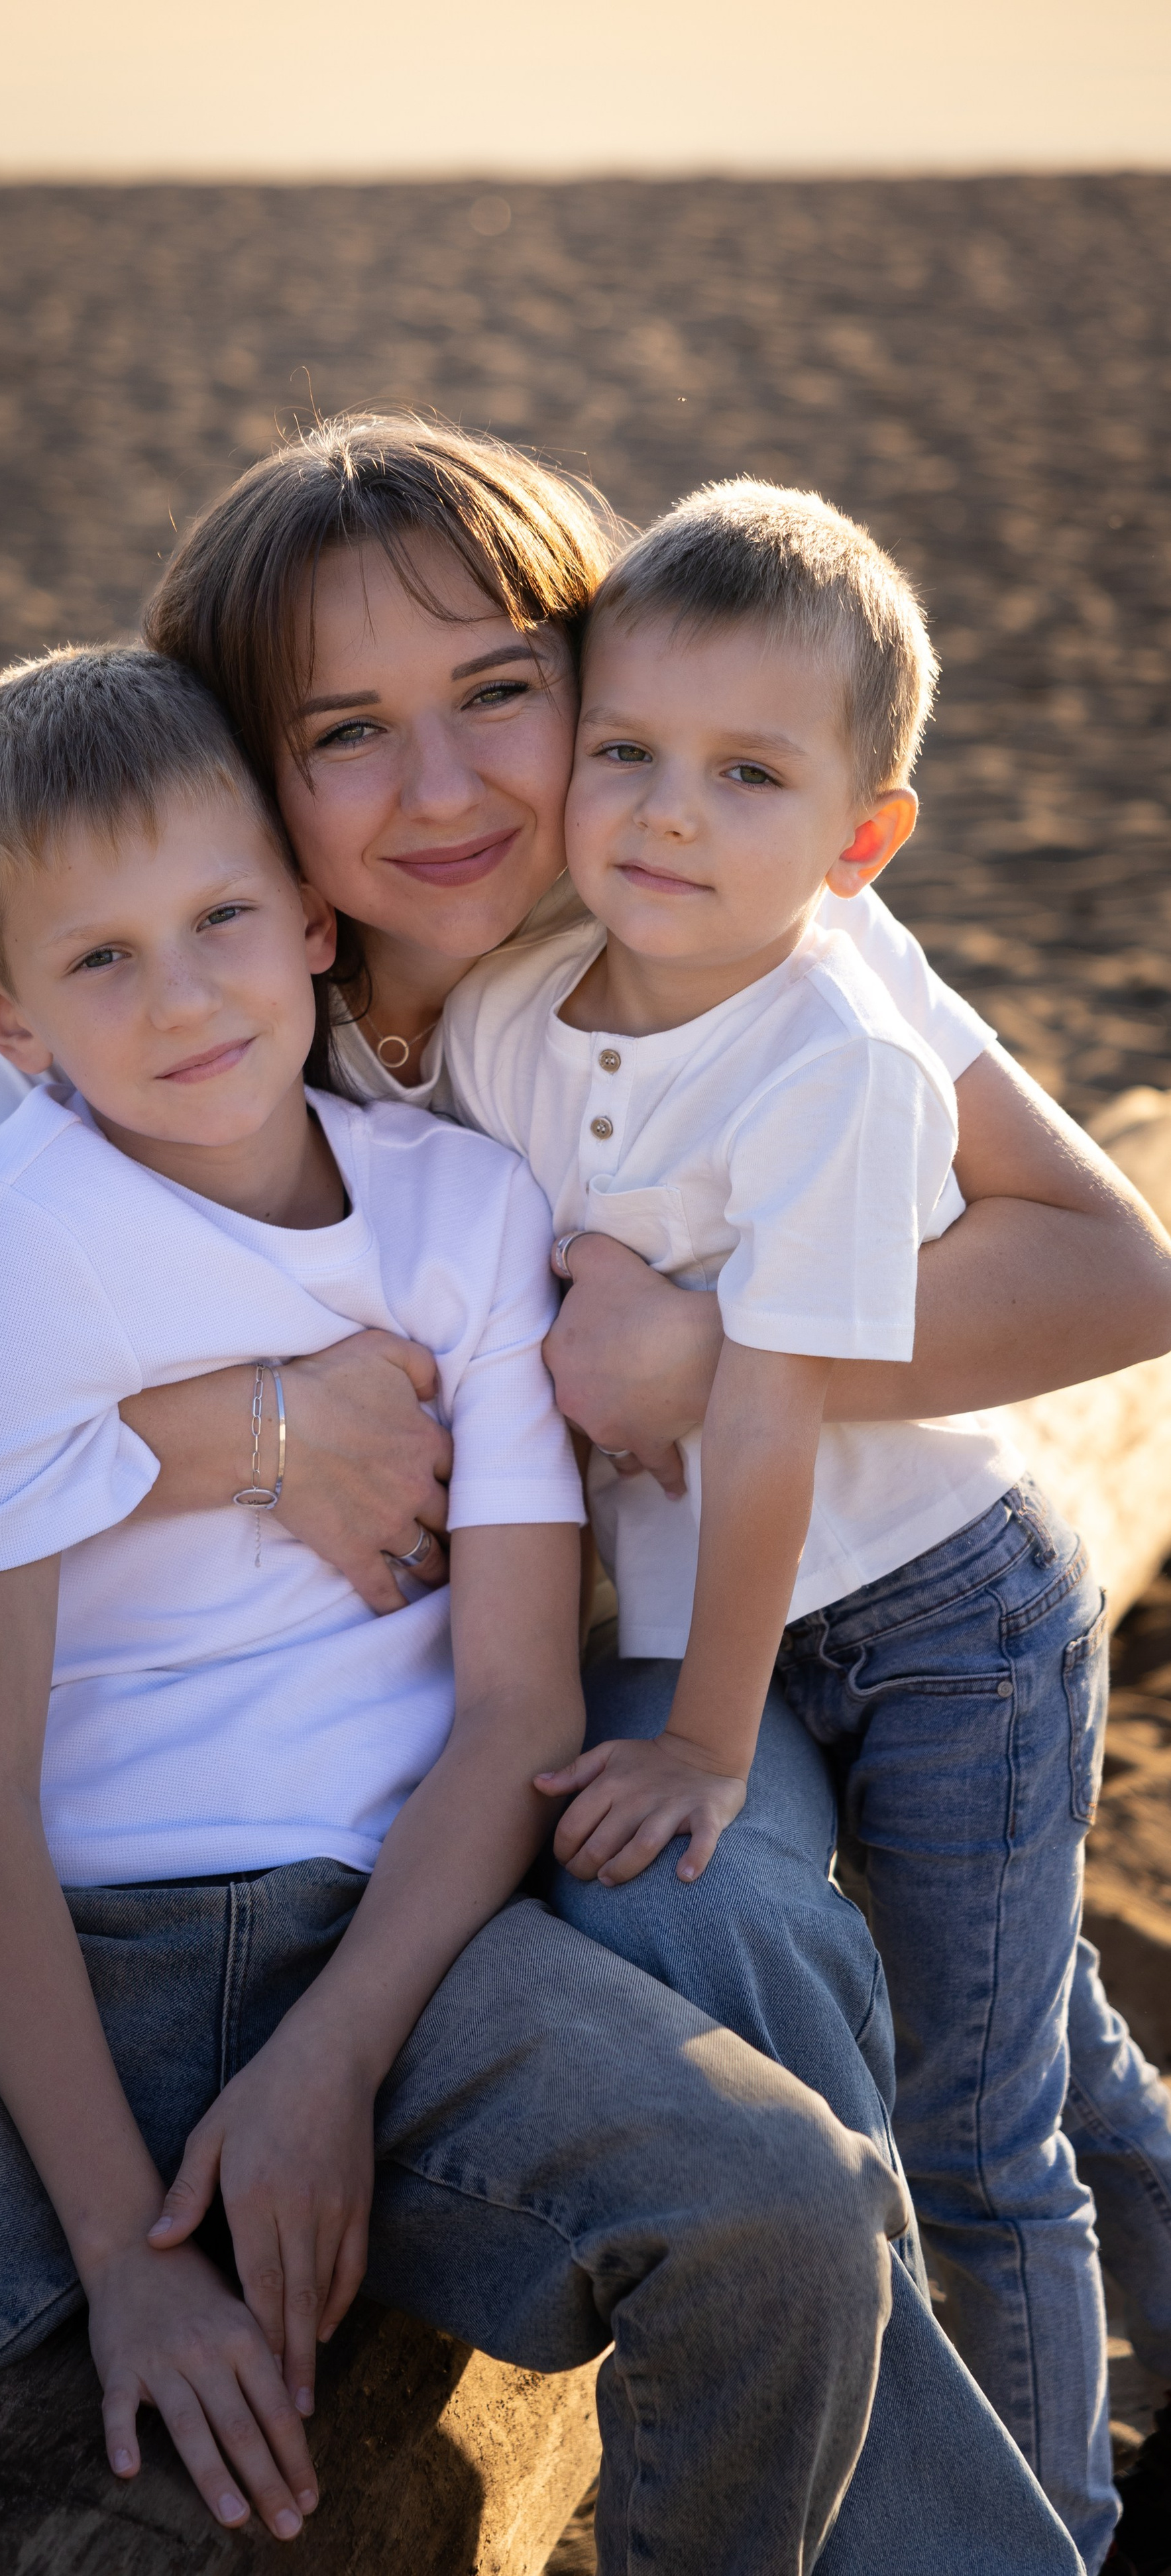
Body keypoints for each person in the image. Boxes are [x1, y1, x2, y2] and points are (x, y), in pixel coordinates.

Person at [0, 419, 1171, 2559]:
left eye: (504, 695)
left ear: (595, 686)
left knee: (794, 1945)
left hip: (687, 1596)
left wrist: (709, 1353)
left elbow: (1104, 1264)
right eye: (345, 734)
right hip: (219, 1604)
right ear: (245, 773)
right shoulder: (175, 963)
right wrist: (244, 1432)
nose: (443, 792)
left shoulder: (715, 923)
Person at [441, 477, 1115, 2564]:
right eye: (625, 751)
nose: (663, 812)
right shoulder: (509, 1018)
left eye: (748, 775)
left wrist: (712, 1745)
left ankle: (1053, 2520)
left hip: (934, 1628)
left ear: (860, 840)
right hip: (759, 1600)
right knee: (1033, 2018)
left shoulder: (838, 1055)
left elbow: (770, 1417)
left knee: (980, 2124)